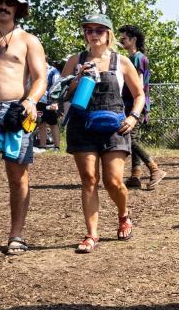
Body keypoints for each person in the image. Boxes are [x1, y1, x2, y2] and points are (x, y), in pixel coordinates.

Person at [61, 13, 145, 253]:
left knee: (113, 180)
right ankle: (92, 234)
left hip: (114, 127)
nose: (93, 35)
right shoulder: (75, 60)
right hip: (82, 125)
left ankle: (123, 215)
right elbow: (62, 95)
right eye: (89, 30)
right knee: (89, 179)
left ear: (108, 34)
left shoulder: (122, 61)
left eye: (99, 30)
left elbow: (139, 95)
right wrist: (76, 78)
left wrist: (133, 116)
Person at [0, 0, 48, 256]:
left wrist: (30, 101)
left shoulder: (28, 40)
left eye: (8, 2)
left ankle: (16, 234)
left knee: (18, 176)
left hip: (16, 111)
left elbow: (40, 79)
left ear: (17, 7)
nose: (3, 5)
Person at [118, 24, 165, 190]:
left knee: (131, 139)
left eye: (124, 38)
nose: (120, 40)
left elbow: (137, 84)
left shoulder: (138, 58)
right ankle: (135, 176)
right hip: (130, 103)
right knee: (132, 138)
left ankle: (155, 169)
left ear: (134, 39)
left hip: (135, 104)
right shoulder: (131, 58)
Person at [34, 61, 62, 151]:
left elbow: (57, 86)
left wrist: (55, 101)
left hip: (50, 102)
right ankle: (42, 146)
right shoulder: (36, 70)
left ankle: (57, 146)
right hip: (38, 101)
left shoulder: (53, 71)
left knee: (53, 123)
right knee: (41, 123)